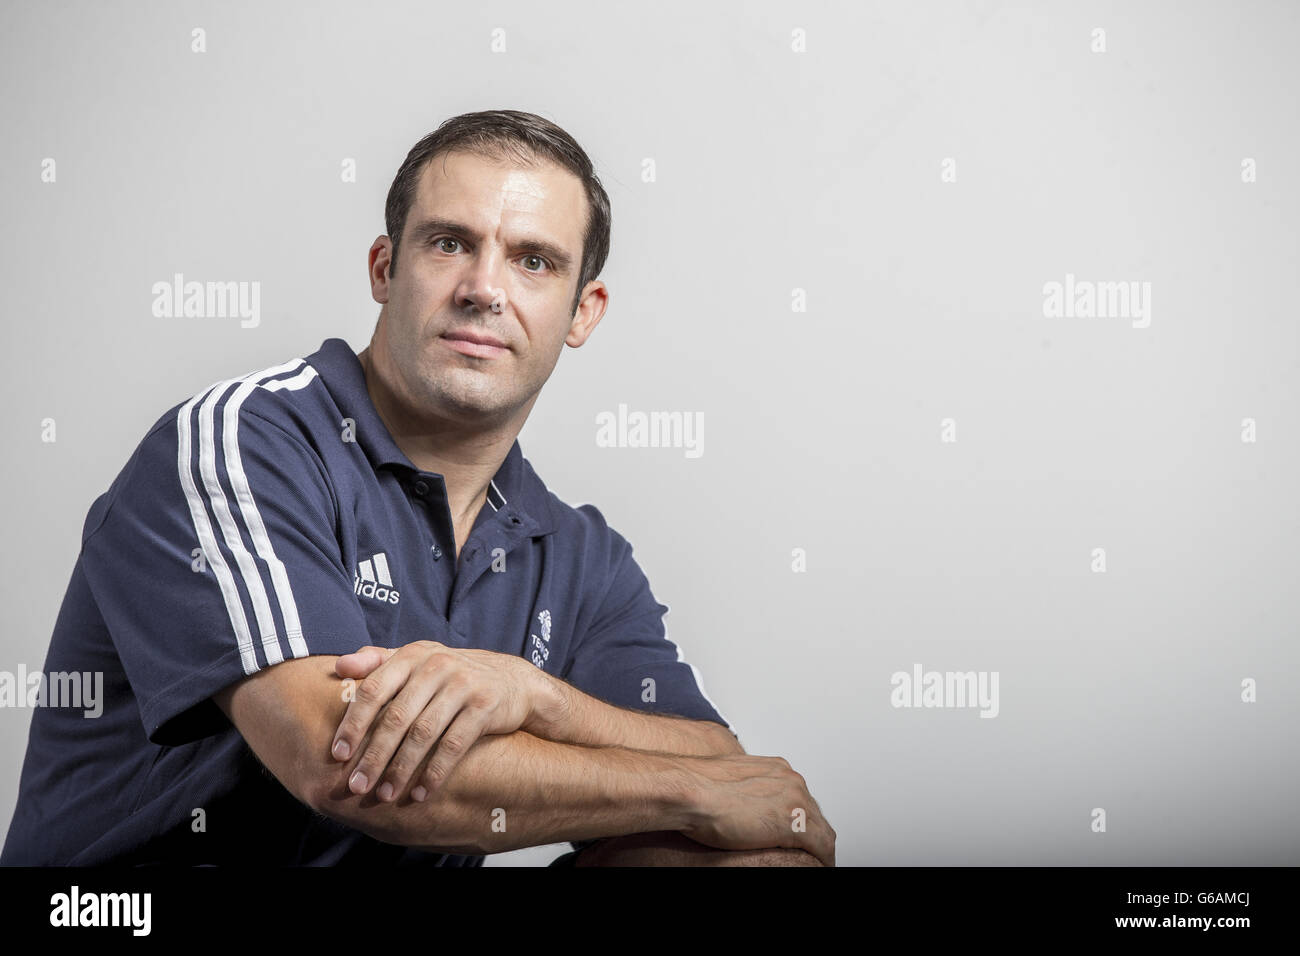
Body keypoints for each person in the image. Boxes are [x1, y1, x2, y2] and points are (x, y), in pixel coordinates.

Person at [2, 110, 835, 867]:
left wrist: (537, 698)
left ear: (583, 312)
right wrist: (687, 792)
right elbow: (341, 763)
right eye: (448, 244)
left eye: (533, 261)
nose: (484, 289)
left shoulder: (579, 555)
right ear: (384, 267)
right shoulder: (242, 443)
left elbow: (727, 767)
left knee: (760, 859)